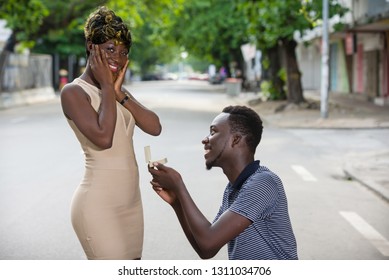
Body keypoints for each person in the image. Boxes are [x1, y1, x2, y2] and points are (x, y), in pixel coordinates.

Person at [60, 6, 162, 260]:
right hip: (97, 205)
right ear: (90, 46)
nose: (117, 57)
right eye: (109, 49)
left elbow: (154, 127)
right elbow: (104, 138)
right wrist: (107, 86)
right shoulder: (74, 92)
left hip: (130, 204)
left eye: (123, 51)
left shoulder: (116, 92)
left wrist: (119, 95)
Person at [148, 105, 297, 260]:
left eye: (213, 132)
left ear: (236, 139)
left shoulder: (263, 183)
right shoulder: (233, 189)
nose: (205, 139)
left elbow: (208, 241)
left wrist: (179, 185)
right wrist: (177, 202)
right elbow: (206, 250)